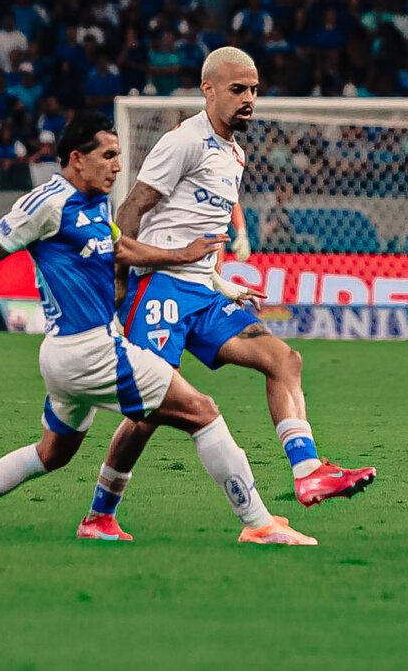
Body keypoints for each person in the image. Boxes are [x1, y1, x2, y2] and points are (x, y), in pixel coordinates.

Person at [0, 112, 315, 545]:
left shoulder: (95, 200)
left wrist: (184, 258)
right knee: (203, 412)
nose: (118, 166)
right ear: (76, 159)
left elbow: (122, 248)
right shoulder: (46, 204)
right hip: (91, 352)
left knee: (51, 454)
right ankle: (259, 524)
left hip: (66, 357)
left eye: (118, 155)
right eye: (108, 156)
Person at [82, 47, 375, 540]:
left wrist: (223, 284)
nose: (249, 99)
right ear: (209, 90)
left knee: (283, 359)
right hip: (159, 289)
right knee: (149, 412)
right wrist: (119, 280)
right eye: (238, 89)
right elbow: (131, 208)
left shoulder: (235, 155)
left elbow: (206, 233)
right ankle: (99, 515)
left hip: (204, 293)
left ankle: (308, 472)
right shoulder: (183, 141)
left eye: (254, 90)